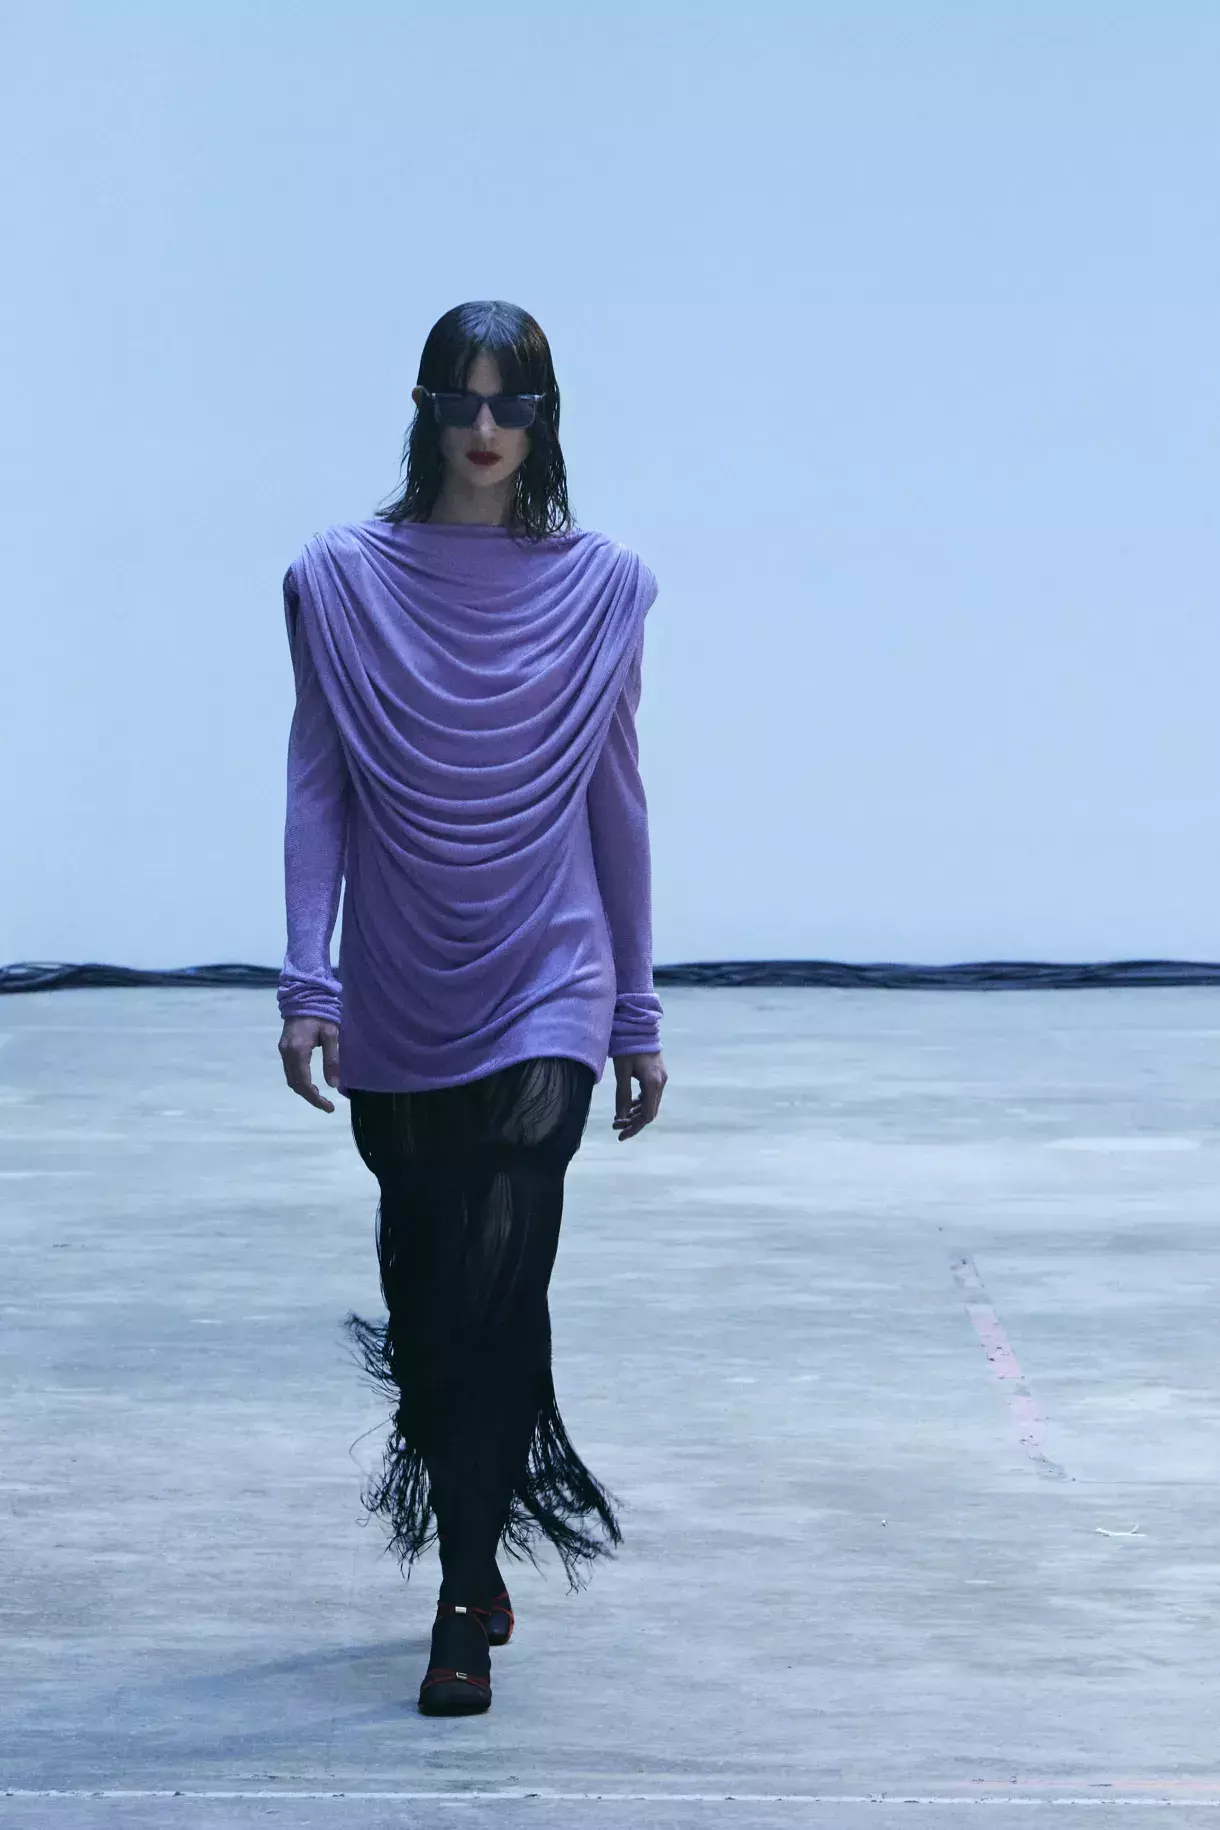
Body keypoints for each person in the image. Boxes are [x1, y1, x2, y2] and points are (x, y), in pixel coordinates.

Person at [275, 300, 667, 1717]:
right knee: (431, 1299)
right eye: (463, 401)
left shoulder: (602, 589)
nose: (487, 429)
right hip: (400, 977)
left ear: (545, 420)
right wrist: (307, 980)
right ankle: (483, 1519)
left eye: (513, 404)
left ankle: (459, 1600)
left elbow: (617, 803)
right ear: (427, 412)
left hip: (548, 978)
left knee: (502, 1279)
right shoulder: (340, 581)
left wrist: (635, 1009)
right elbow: (318, 783)